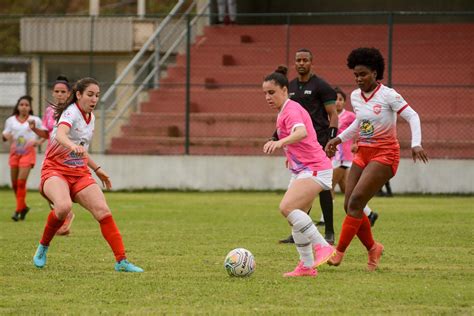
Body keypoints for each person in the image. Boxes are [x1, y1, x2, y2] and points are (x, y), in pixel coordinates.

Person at [325, 47, 428, 271]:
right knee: (349, 204)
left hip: (385, 154)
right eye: (355, 75)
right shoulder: (355, 96)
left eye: (362, 74)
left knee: (355, 202)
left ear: (374, 72)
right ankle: (373, 248)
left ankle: (338, 252)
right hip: (363, 153)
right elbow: (360, 123)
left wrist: (416, 143)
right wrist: (338, 139)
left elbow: (412, 115)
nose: (358, 79)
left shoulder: (388, 95)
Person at [32, 77, 143, 273]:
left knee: (103, 212)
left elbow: (82, 150)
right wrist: (72, 146)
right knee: (63, 207)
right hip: (55, 171)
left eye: (97, 96)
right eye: (90, 95)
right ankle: (43, 247)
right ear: (78, 95)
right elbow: (60, 135)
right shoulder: (71, 112)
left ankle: (121, 261)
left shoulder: (90, 117)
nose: (94, 99)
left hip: (79, 173)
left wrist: (97, 169)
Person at [262, 66, 335, 277]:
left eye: (272, 92)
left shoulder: (291, 109)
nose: (267, 96)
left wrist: (280, 143)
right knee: (296, 216)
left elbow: (301, 132)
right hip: (303, 169)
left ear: (285, 90)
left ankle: (323, 246)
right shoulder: (284, 111)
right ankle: (306, 266)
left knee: (286, 207)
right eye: (265, 93)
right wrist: (289, 156)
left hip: (314, 168)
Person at [277, 48, 339, 245]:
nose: (301, 63)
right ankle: (299, 232)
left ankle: (329, 231)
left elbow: (333, 114)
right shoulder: (291, 87)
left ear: (312, 62)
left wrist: (331, 139)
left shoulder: (321, 86)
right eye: (298, 60)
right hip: (300, 147)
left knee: (323, 188)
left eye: (305, 60)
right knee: (303, 189)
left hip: (319, 143)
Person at [29, 75, 76, 235]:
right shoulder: (49, 111)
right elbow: (47, 134)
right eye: (57, 91)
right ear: (53, 93)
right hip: (51, 156)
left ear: (69, 93)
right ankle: (65, 214)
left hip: (68, 156)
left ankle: (65, 215)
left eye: (63, 91)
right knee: (44, 189)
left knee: (61, 189)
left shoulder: (73, 110)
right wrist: (35, 129)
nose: (60, 94)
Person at [331, 86, 378, 227]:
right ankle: (370, 214)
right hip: (334, 156)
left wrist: (356, 142)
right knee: (347, 190)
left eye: (340, 99)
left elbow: (361, 127)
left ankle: (323, 219)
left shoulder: (350, 115)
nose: (337, 102)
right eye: (335, 99)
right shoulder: (330, 115)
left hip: (344, 156)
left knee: (328, 186)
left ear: (344, 102)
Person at [2, 95, 43, 221]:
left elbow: (45, 134)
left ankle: (18, 211)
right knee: (14, 184)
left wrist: (39, 142)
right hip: (15, 152)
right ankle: (23, 207)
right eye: (22, 105)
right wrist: (6, 137)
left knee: (21, 182)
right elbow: (4, 135)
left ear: (30, 108)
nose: (24, 107)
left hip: (28, 152)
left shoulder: (35, 120)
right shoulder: (10, 121)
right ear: (18, 107)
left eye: (26, 105)